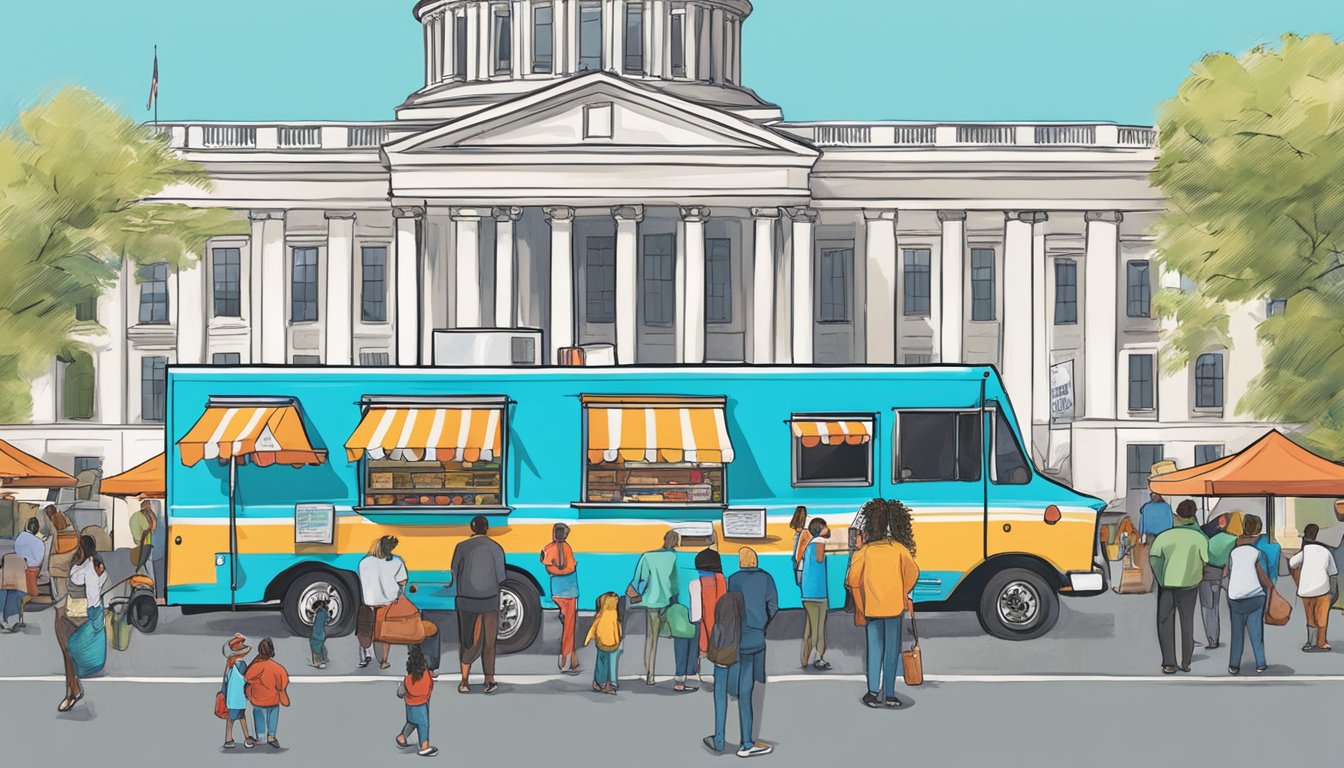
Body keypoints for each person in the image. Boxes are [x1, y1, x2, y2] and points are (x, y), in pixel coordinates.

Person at [845, 499, 920, 709]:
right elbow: (913, 573)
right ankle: (890, 694)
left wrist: (860, 606)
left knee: (874, 649)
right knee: (891, 651)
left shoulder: (864, 552)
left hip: (871, 609)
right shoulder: (898, 549)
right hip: (894, 607)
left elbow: (852, 581)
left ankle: (872, 692)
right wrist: (902, 590)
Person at [723, 548, 777, 758]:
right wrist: (763, 624)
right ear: (756, 560)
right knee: (753, 687)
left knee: (743, 687)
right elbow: (773, 606)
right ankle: (746, 743)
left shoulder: (733, 579)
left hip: (738, 636)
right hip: (757, 636)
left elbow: (730, 606)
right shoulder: (766, 579)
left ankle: (745, 738)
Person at [1149, 500, 1209, 674]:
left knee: (1164, 621)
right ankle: (1186, 661)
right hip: (1190, 585)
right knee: (1187, 621)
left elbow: (1154, 558)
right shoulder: (1199, 537)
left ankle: (1169, 662)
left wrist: (1161, 577)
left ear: (1177, 514)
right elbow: (1206, 560)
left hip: (1167, 584)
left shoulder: (1164, 536)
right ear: (1193, 514)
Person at [450, 516, 505, 694]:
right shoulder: (496, 548)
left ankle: (464, 682)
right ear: (487, 528)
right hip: (489, 600)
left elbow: (454, 570)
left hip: (466, 600)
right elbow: (501, 577)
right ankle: (489, 680)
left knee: (467, 640)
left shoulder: (461, 547)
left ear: (472, 528)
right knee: (489, 641)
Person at [56, 535, 107, 713]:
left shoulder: (89, 567)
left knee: (69, 648)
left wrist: (94, 614)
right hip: (77, 611)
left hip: (82, 614)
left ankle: (73, 690)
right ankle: (72, 689)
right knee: (67, 650)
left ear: (82, 548)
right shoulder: (90, 563)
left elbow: (93, 594)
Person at [627, 530, 680, 686]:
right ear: (676, 542)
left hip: (651, 600)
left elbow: (639, 579)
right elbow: (676, 583)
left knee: (651, 638)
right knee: (668, 634)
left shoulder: (648, 556)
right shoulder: (675, 557)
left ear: (664, 539)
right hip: (668, 600)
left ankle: (650, 673)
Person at [1225, 514, 1274, 675]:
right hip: (1255, 597)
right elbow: (1264, 579)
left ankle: (1234, 664)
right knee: (1256, 632)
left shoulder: (1233, 553)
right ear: (1258, 534)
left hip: (1235, 597)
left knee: (1236, 632)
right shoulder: (1259, 554)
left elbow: (1230, 574)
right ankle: (1260, 662)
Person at [703, 589, 744, 755]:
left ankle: (719, 740)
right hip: (736, 653)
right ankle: (744, 738)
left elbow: (715, 638)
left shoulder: (721, 605)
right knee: (736, 691)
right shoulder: (740, 607)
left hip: (721, 657)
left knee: (720, 697)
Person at [358, 535, 407, 669]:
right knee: (384, 634)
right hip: (388, 604)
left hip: (369, 602)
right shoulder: (397, 562)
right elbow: (402, 581)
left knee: (365, 629)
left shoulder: (364, 562)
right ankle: (383, 661)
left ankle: (365, 656)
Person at [1289, 523, 1337, 652]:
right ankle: (1321, 642)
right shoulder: (1326, 552)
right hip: (1323, 589)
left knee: (1310, 617)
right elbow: (1333, 573)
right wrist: (1332, 591)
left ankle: (1310, 642)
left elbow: (1292, 563)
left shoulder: (1304, 551)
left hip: (1306, 590)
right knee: (1322, 617)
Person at [540, 523, 580, 674]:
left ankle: (567, 657)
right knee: (569, 627)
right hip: (570, 590)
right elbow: (570, 567)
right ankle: (566, 658)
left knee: (566, 624)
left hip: (556, 590)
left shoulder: (547, 549)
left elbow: (548, 566)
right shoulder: (568, 548)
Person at [688, 548, 726, 685]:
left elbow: (696, 612)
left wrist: (694, 618)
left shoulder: (696, 582)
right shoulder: (721, 580)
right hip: (720, 621)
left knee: (703, 644)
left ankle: (706, 672)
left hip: (703, 621)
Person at [244, 637, 291, 749]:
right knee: (273, 713)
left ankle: (260, 736)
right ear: (272, 651)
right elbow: (283, 684)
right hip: (273, 699)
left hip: (257, 699)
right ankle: (271, 736)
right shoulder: (279, 669)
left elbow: (246, 677)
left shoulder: (255, 666)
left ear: (260, 651)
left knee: (258, 713)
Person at [1201, 513, 1238, 650]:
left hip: (1206, 574)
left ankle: (1212, 640)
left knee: (1208, 608)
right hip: (1221, 574)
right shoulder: (1235, 540)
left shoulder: (1213, 539)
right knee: (1221, 606)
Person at [800, 517, 831, 670]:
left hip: (807, 592)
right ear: (820, 529)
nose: (828, 529)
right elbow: (820, 559)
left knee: (809, 627)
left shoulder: (809, 545)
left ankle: (804, 658)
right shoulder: (820, 541)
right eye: (825, 526)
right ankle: (818, 658)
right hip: (819, 593)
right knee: (819, 628)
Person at [396, 644, 438, 757]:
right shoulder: (427, 675)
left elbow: (400, 693)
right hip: (422, 705)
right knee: (423, 724)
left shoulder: (408, 679)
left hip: (410, 705)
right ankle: (424, 747)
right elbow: (430, 687)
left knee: (412, 721)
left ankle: (402, 737)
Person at [221, 633, 255, 748]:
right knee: (240, 717)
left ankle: (230, 739)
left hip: (231, 697)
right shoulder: (241, 665)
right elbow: (247, 679)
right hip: (239, 697)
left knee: (232, 719)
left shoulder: (230, 664)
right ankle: (244, 739)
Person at [585, 591, 622, 695]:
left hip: (602, 643)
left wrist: (588, 639)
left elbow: (593, 628)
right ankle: (604, 683)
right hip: (610, 643)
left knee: (601, 663)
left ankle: (600, 682)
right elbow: (618, 627)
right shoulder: (614, 614)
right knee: (607, 663)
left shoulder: (602, 615)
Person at [13, 518, 44, 629]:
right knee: (32, 594)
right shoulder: (39, 542)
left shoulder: (20, 538)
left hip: (20, 568)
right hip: (32, 570)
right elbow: (38, 560)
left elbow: (17, 552)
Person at [43, 504, 77, 605]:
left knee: (60, 591)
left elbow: (54, 548)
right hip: (70, 561)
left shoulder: (53, 528)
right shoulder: (70, 525)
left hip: (57, 562)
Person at [789, 506, 810, 587]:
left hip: (797, 557)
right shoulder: (805, 532)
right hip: (800, 557)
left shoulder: (799, 534)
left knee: (797, 575)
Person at [310, 592, 330, 668]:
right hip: (322, 634)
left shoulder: (318, 613)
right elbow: (327, 620)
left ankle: (320, 663)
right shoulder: (324, 612)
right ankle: (325, 659)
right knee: (321, 645)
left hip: (317, 634)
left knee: (316, 647)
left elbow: (313, 621)